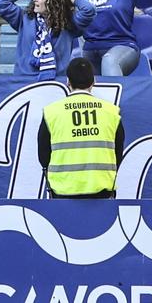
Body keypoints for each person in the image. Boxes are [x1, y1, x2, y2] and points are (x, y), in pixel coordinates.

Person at [34, 55, 125, 198]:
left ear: (68, 82)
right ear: (94, 81)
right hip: (101, 193)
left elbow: (43, 156)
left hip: (63, 192)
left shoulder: (51, 112)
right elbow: (118, 152)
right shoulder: (111, 112)